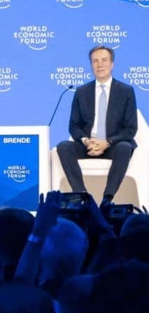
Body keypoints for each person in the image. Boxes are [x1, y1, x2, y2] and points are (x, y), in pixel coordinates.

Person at [56, 45, 139, 203]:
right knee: (63, 147)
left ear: (112, 64)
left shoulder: (126, 91)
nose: (100, 65)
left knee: (125, 147)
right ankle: (81, 195)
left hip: (113, 145)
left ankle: (107, 198)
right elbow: (74, 126)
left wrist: (107, 142)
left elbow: (130, 129)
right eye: (95, 61)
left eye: (104, 60)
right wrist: (87, 141)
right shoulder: (81, 92)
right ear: (91, 65)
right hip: (88, 145)